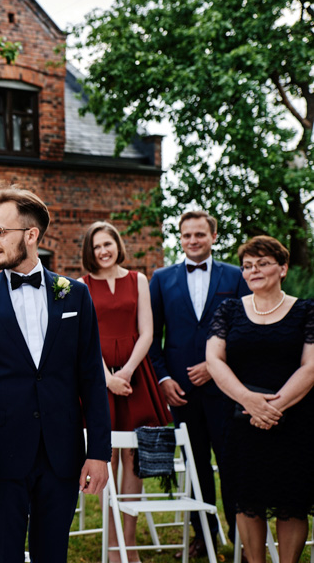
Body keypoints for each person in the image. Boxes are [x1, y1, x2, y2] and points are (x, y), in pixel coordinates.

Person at [0, 186, 111, 563]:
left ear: (31, 235)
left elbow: (91, 378)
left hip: (63, 453)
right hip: (0, 457)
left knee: (52, 553)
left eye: (0, 232)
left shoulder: (75, 295)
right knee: (4, 555)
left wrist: (99, 452)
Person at [206, 236, 314, 563]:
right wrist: (249, 401)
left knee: (291, 503)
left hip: (294, 420)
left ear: (282, 268)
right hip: (241, 423)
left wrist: (272, 407)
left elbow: (311, 366)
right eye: (248, 265)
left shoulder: (306, 310)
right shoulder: (230, 309)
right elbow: (214, 360)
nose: (254, 270)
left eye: (263, 263)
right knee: (246, 501)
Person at [149, 210, 250, 556]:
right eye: (187, 235)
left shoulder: (235, 276)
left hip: (225, 390)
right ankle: (202, 537)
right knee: (195, 467)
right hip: (180, 392)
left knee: (233, 462)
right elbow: (152, 334)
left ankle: (241, 538)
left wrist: (215, 365)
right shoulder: (161, 279)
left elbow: (245, 330)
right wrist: (162, 378)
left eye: (200, 235)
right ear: (180, 238)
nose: (193, 240)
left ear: (213, 237)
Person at [78, 221, 170, 561]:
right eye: (97, 245)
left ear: (118, 244)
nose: (104, 250)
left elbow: (147, 332)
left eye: (109, 243)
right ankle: (113, 546)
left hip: (137, 376)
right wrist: (106, 378)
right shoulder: (82, 285)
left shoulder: (138, 280)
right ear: (90, 251)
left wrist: (127, 371)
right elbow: (83, 339)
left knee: (134, 459)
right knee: (106, 457)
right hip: (97, 376)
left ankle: (129, 545)